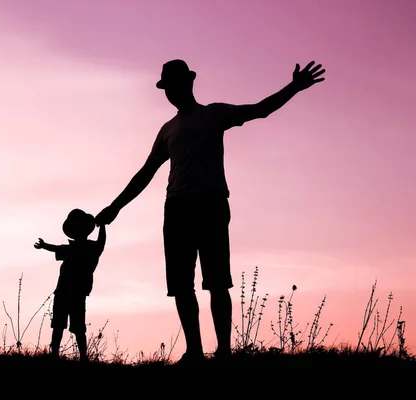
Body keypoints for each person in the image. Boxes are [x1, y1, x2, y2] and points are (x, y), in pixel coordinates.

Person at [95, 59, 326, 365]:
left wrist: (294, 87)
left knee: (217, 281)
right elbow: (146, 172)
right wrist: (115, 207)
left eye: (174, 84)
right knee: (181, 284)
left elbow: (259, 109)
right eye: (166, 87)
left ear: (188, 82)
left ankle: (224, 353)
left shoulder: (213, 114)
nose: (170, 92)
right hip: (176, 208)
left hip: (211, 204)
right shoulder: (168, 130)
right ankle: (194, 352)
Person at [34, 208, 107, 362]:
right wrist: (45, 245)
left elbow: (101, 243)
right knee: (62, 326)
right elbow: (56, 248)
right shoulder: (78, 248)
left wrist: (103, 227)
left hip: (75, 292)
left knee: (75, 327)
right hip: (65, 291)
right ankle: (64, 356)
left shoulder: (90, 248)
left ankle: (81, 357)